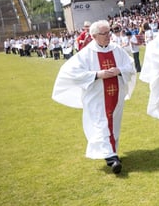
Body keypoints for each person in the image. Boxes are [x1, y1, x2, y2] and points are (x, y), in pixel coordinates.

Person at [52, 20, 137, 174]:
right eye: (104, 33)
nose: (108, 36)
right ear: (94, 36)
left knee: (113, 124)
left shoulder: (117, 49)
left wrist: (119, 70)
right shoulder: (86, 53)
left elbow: (130, 66)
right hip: (97, 98)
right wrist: (98, 74)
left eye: (109, 32)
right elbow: (70, 73)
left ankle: (113, 152)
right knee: (102, 124)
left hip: (116, 95)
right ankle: (111, 158)